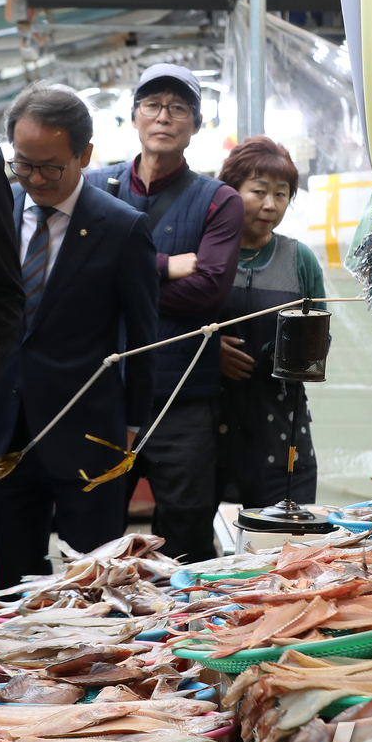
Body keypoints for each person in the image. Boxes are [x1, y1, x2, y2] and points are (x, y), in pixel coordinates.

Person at [0, 84, 158, 589]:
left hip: (91, 434)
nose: (35, 178)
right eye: (23, 164)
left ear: (84, 154)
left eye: (50, 167)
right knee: (16, 580)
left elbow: (142, 337)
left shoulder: (122, 228)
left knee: (90, 583)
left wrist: (132, 428)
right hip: (6, 428)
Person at [86, 63, 243, 563]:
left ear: (195, 126)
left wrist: (118, 282)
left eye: (179, 108)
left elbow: (208, 293)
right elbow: (72, 276)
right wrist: (162, 267)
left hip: (183, 399)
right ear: (133, 116)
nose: (164, 117)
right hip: (103, 397)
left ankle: (181, 639)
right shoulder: (93, 186)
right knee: (97, 541)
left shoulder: (219, 200)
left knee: (185, 539)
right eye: (152, 105)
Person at [214, 137, 325, 507]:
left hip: (281, 424)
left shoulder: (299, 260)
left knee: (281, 544)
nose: (270, 205)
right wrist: (208, 353)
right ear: (230, 191)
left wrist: (278, 355)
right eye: (258, 191)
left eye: (281, 194)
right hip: (207, 422)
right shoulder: (206, 253)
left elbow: (318, 345)